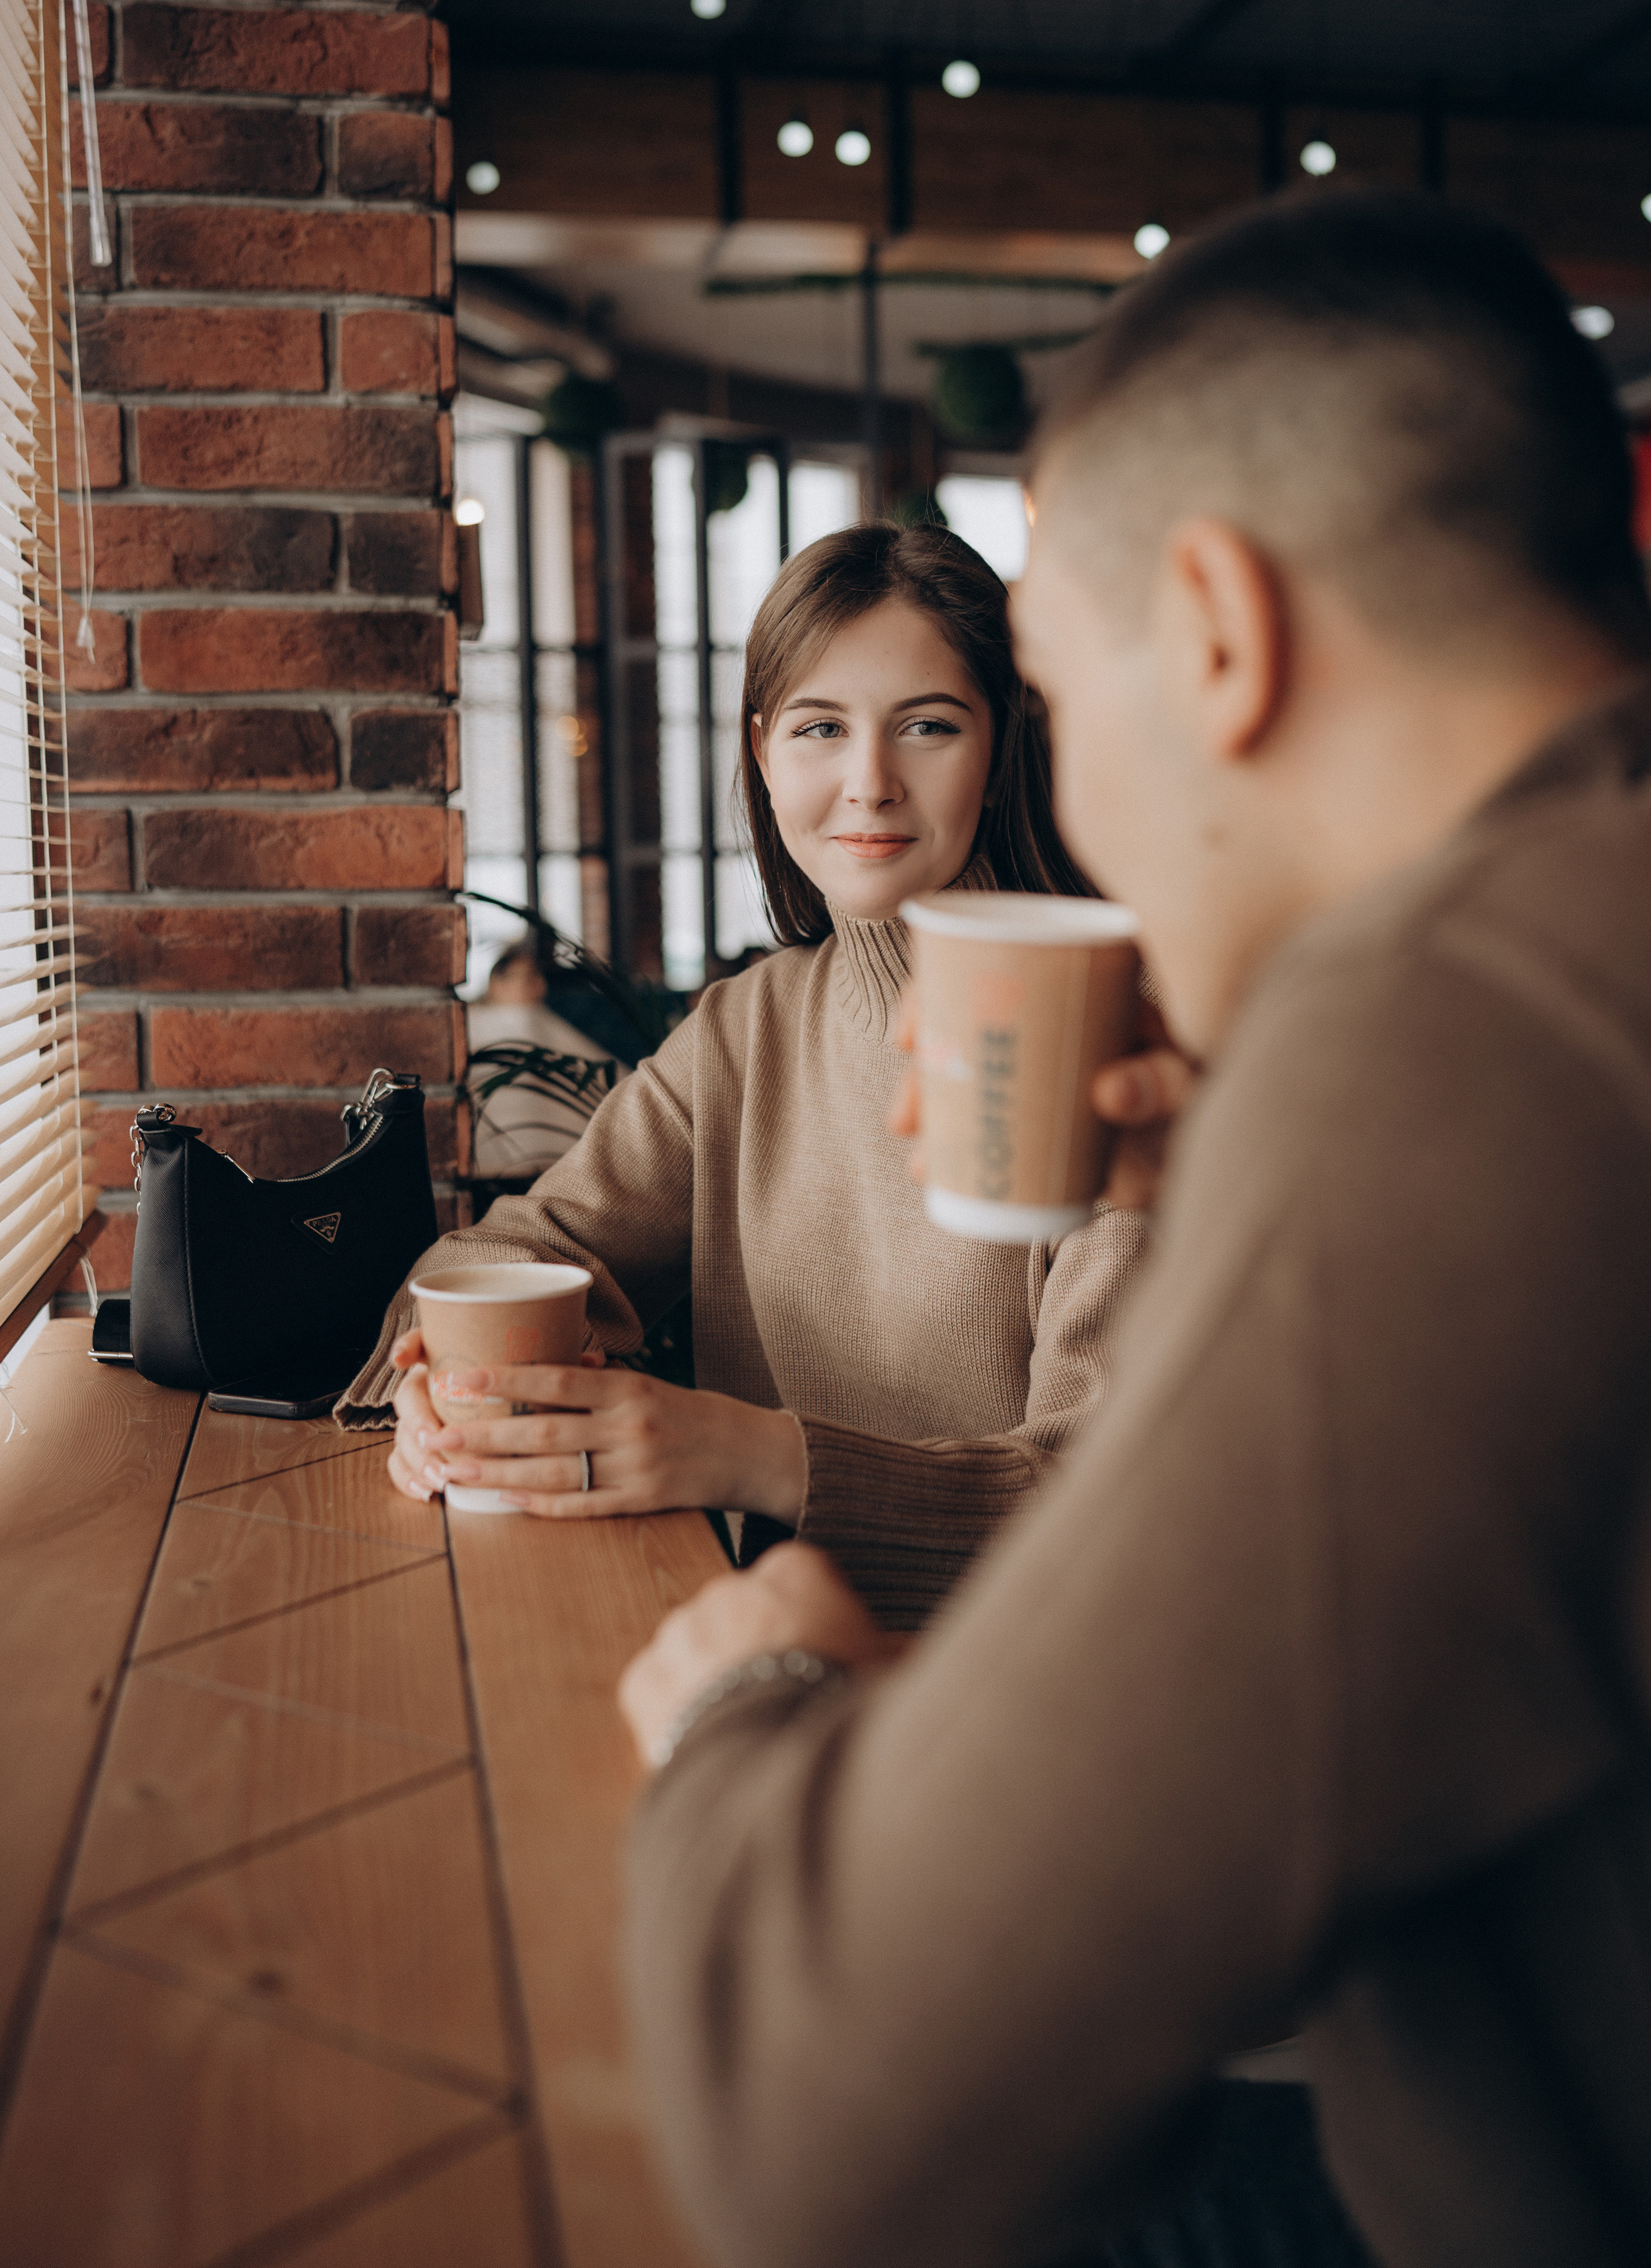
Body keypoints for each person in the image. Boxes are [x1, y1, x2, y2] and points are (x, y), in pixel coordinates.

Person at [615, 188, 1651, 2268]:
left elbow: (819, 2105)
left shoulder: (1445, 1027)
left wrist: (747, 1701)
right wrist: (1219, 1194)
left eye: (1051, 709)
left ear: (1218, 630)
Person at [339, 524, 1156, 1627]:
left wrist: (755, 1455)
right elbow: (518, 1250)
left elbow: (1107, 1505)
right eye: (822, 728)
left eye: (927, 726)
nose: (870, 783)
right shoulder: (746, 1030)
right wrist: (440, 1381)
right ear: (766, 755)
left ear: (999, 753)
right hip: (763, 1644)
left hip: (1021, 1692)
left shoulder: (1106, 1040)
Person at [464, 939, 627, 1183]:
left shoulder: (542, 1023)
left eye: (539, 978)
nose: (539, 987)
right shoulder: (482, 1028)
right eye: (528, 978)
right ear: (496, 984)